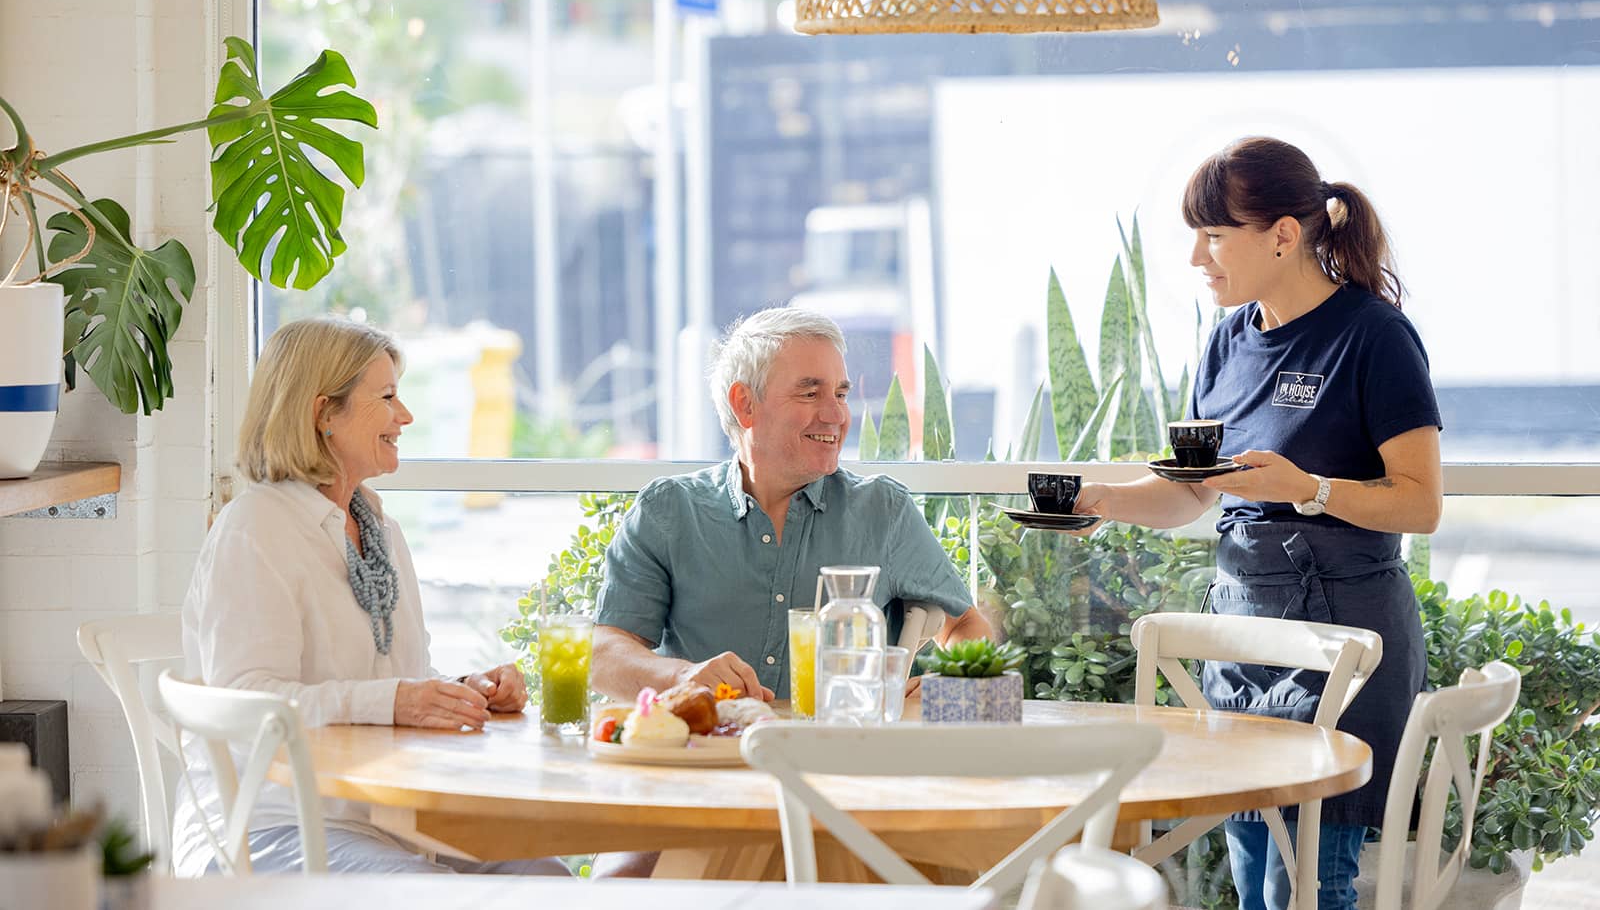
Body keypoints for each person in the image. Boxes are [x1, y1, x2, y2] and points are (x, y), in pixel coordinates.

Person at [1073, 137, 1442, 910]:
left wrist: (1309, 488)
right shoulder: (1228, 340)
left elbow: (1419, 502)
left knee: (1305, 876)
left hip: (1344, 636)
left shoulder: (1375, 337)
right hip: (1243, 634)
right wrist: (1100, 500)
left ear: (1282, 234)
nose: (1198, 258)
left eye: (1214, 235)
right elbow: (1193, 494)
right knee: (1251, 874)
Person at [173, 317, 569, 878]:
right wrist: (396, 701)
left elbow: (399, 675)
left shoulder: (378, 528)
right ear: (323, 415)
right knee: (430, 893)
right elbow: (250, 700)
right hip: (268, 828)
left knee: (545, 879)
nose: (404, 416)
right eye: (386, 398)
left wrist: (460, 692)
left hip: (388, 824)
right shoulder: (254, 530)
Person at [592, 307, 990, 704]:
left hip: (841, 756)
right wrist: (683, 676)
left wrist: (950, 682)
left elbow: (966, 625)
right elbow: (604, 653)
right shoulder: (669, 512)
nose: (836, 415)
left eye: (840, 393)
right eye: (810, 393)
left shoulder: (883, 511)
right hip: (706, 758)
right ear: (745, 404)